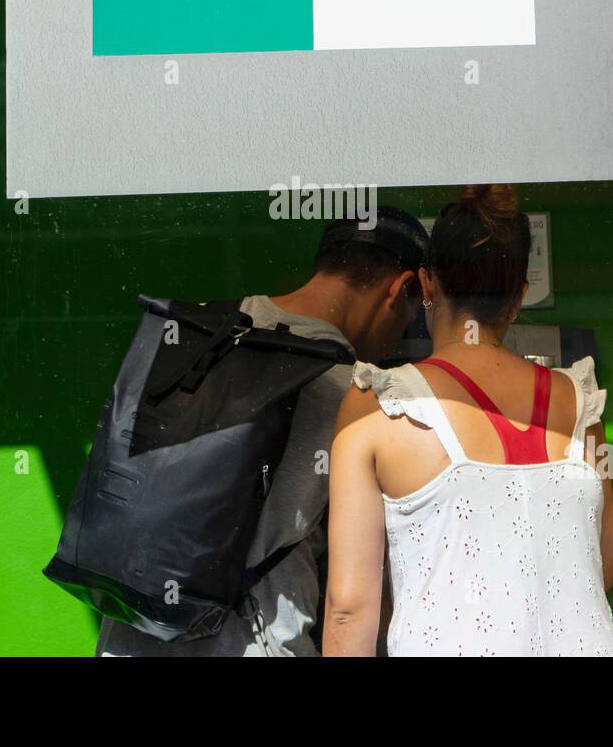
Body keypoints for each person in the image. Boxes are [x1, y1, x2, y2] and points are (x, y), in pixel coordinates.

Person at [97, 206, 429, 656]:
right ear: (402, 287)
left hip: (131, 633)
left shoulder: (202, 336)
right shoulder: (351, 392)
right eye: (411, 315)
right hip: (253, 642)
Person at [324, 184, 613, 656]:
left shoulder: (379, 405)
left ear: (426, 284)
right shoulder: (579, 404)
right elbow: (602, 564)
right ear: (520, 295)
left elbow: (349, 608)